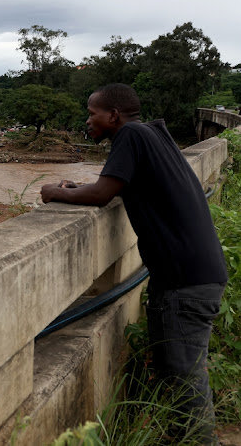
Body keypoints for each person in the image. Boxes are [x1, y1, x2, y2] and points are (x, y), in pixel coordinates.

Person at [41, 83, 227, 443]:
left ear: (113, 115)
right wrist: (78, 185)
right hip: (191, 275)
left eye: (93, 112)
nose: (88, 119)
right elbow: (118, 184)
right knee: (178, 375)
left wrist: (55, 192)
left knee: (186, 381)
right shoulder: (153, 134)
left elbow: (101, 194)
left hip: (185, 283)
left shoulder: (130, 135)